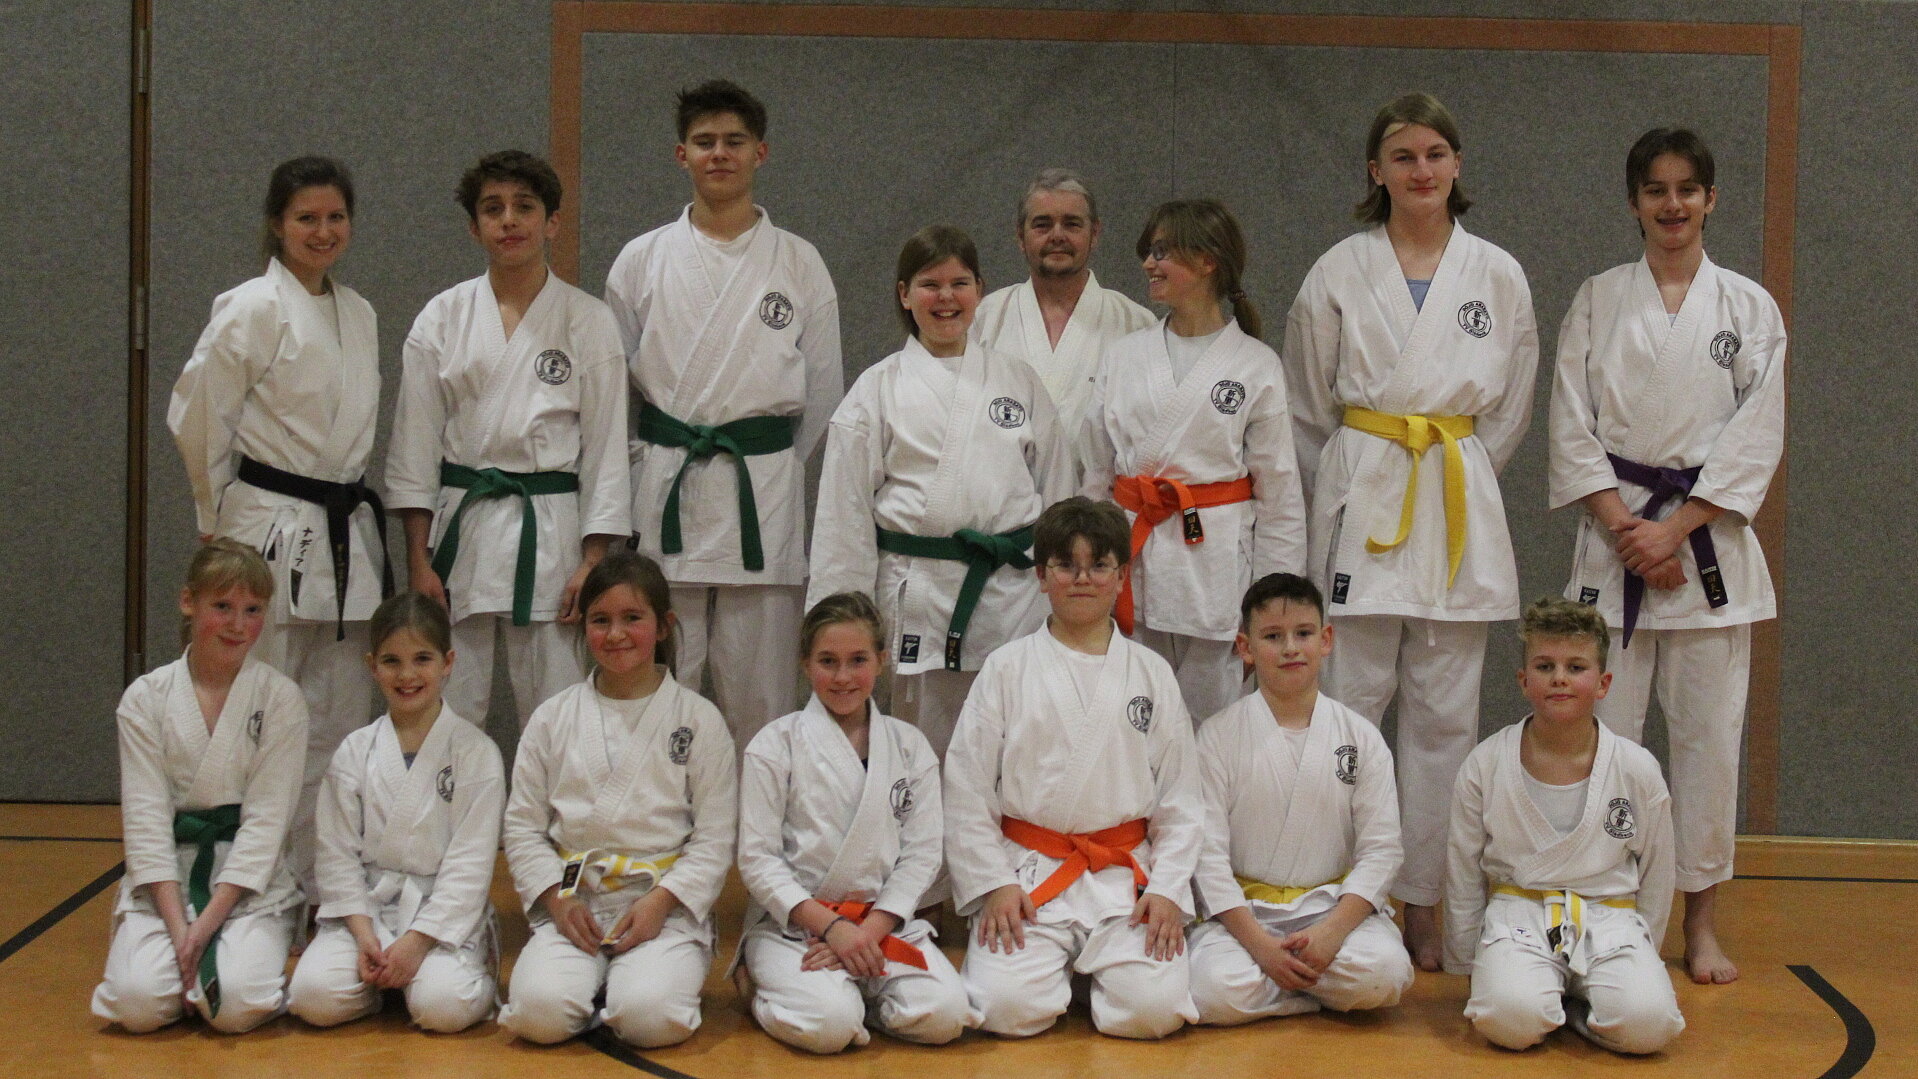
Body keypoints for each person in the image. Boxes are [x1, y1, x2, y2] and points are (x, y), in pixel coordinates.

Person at [1282, 92, 1539, 968]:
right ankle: (1342, 890)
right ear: (1376, 171)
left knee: (1444, 720)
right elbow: (1308, 408)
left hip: (1454, 495)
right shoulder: (1338, 270)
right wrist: (1359, 473)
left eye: (1435, 154)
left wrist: (1456, 470)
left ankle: (1425, 899)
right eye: (1403, 156)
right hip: (1364, 492)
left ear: (1457, 164)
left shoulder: (1496, 273)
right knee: (1347, 707)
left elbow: (1509, 407)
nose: (1421, 170)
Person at [1548, 127, 1783, 986]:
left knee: (1709, 746)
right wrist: (1630, 531)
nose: (1672, 204)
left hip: (1706, 556)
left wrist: (1675, 528)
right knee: (1603, 745)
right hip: (1618, 549)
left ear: (1711, 199)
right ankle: (1610, 911)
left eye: (1688, 188)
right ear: (1634, 202)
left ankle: (1701, 922)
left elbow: (1757, 434)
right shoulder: (1598, 299)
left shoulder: (1748, 307)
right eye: (1656, 189)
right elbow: (1571, 424)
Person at [168, 155, 385, 892]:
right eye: (306, 218)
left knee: (337, 719)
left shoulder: (360, 313)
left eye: (335, 217)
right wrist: (214, 514)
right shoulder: (251, 306)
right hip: (265, 528)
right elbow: (198, 415)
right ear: (277, 224)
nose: (323, 232)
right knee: (256, 708)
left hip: (343, 532)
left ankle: (323, 883)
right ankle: (243, 881)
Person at [606, 80, 843, 751]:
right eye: (704, 141)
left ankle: (758, 812)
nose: (719, 154)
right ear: (681, 154)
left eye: (734, 141)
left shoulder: (799, 262)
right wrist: (642, 465)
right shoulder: (641, 260)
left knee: (759, 694)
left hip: (759, 494)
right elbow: (614, 391)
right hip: (665, 486)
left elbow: (825, 390)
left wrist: (776, 466)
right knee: (656, 684)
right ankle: (656, 803)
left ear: (760, 152)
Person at [386, 150, 629, 731]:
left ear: (552, 222)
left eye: (524, 207)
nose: (509, 220)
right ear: (475, 227)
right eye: (493, 209)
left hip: (552, 534)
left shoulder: (588, 320)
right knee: (448, 709)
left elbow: (606, 453)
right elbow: (414, 449)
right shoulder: (442, 317)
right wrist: (418, 559)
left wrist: (593, 562)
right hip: (460, 532)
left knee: (558, 714)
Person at [943, 496, 1203, 1039]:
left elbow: (1180, 797)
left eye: (1099, 565)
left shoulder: (1151, 672)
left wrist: (1168, 889)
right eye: (1066, 565)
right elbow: (966, 788)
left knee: (1152, 1014)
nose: (1082, 579)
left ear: (1122, 576)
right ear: (1041, 576)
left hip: (1122, 880)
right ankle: (1071, 971)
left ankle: (1088, 973)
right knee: (1004, 1010)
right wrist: (993, 883)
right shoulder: (1006, 668)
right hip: (1029, 876)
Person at [809, 225, 1073, 755]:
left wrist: (1064, 587)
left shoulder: (1017, 380)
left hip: (1010, 596)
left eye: (959, 283)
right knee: (918, 748)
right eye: (930, 285)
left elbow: (1060, 494)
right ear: (905, 295)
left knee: (1012, 742)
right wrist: (842, 625)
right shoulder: (877, 388)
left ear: (980, 290)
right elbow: (844, 519)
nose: (946, 297)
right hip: (920, 595)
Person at [498, 551, 737, 1048]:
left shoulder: (698, 719)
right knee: (538, 1015)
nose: (616, 634)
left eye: (633, 618)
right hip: (576, 901)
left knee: (649, 1019)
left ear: (664, 625)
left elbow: (715, 837)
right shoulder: (552, 717)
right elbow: (522, 826)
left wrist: (662, 902)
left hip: (663, 905)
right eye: (600, 620)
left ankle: (629, 985)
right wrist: (556, 899)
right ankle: (595, 986)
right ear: (583, 626)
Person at [1082, 199, 1306, 720]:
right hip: (1132, 561)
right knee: (1130, 722)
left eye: (1162, 252)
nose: (1148, 263)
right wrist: (1088, 564)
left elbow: (1279, 497)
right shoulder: (1124, 355)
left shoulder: (1255, 365)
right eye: (1149, 252)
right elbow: (1094, 473)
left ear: (1207, 260)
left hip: (1215, 576)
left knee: (1215, 730)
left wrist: (1274, 603)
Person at [735, 591, 975, 1052]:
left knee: (945, 1016)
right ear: (805, 664)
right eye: (828, 661)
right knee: (830, 1028)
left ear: (882, 660)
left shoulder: (909, 746)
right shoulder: (774, 744)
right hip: (797, 929)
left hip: (881, 925)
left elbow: (923, 854)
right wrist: (833, 928)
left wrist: (866, 933)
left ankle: (857, 992)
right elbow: (758, 860)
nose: (843, 677)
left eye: (858, 660)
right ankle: (757, 987)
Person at [1443, 598, 1684, 1054]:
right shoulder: (1486, 763)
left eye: (1576, 667)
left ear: (1603, 683)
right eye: (1545, 666)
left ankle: (1573, 1009)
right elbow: (1462, 869)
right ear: (1523, 680)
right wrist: (1467, 960)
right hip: (1519, 914)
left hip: (1610, 917)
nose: (1559, 678)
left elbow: (1658, 871)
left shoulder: (1636, 768)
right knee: (1508, 1022)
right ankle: (1554, 1001)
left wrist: (1646, 948)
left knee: (1650, 1027)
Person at [91, 540, 308, 1033]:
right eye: (222, 606)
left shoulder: (279, 699)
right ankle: (174, 967)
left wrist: (205, 925)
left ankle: (232, 963)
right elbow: (145, 822)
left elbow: (267, 822)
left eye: (253, 610)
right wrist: (181, 931)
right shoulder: (145, 698)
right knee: (137, 1004)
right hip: (168, 878)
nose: (237, 625)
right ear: (188, 601)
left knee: (235, 1006)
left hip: (247, 882)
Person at [1186, 573, 1413, 1024]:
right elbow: (1206, 855)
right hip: (1246, 916)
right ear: (1246, 648)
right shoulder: (1217, 737)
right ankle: (1314, 992)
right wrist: (1260, 947)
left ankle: (1280, 988)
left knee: (1385, 974)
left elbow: (1382, 850)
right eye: (1273, 637)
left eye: (1303, 634)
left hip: (1330, 909)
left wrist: (1331, 935)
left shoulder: (1360, 737)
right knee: (1209, 990)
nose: (1290, 648)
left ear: (1325, 640)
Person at [287, 592, 504, 1032]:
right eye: (391, 661)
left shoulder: (476, 753)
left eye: (422, 659)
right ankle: (382, 982)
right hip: (367, 910)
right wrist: (364, 933)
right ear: (372, 666)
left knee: (442, 1008)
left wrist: (417, 943)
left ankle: (446, 972)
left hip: (440, 914)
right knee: (311, 997)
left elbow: (470, 864)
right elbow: (335, 855)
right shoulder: (354, 751)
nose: (407, 675)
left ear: (448, 662)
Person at [972, 168, 1154, 443]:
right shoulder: (985, 318)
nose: (1057, 235)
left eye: (1072, 224)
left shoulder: (1136, 324)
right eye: (1042, 225)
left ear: (1094, 234)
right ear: (1020, 237)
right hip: (1002, 473)